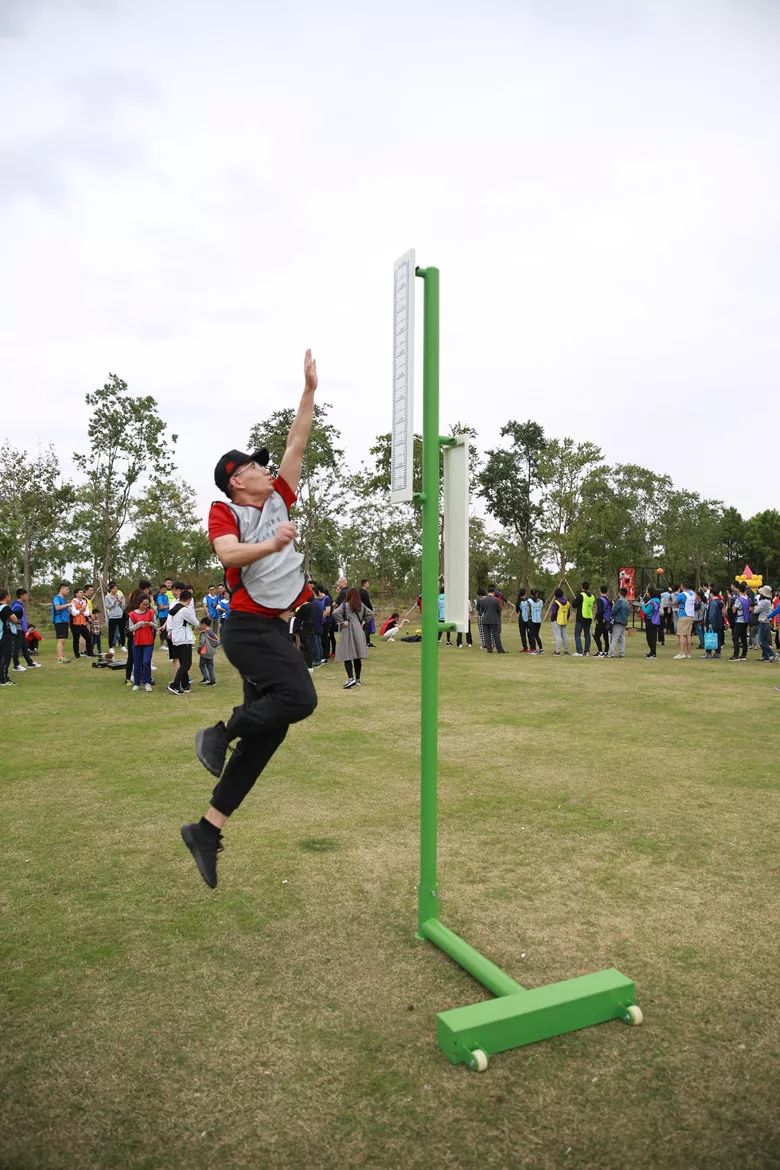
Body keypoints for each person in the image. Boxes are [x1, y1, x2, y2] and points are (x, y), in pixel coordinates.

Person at [183, 349, 319, 888]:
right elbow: (229, 555)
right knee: (300, 699)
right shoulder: (227, 511)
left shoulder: (280, 496)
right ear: (236, 481)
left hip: (272, 629)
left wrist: (308, 392)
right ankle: (219, 732)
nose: (266, 470)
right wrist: (272, 544)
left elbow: (296, 443)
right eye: (254, 467)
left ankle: (206, 829)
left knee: (270, 734)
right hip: (247, 630)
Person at [334, 587, 372, 687]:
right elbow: (370, 613)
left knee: (347, 654)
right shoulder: (361, 605)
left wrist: (342, 622)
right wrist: (363, 622)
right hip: (359, 630)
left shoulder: (345, 605)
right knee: (357, 656)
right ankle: (358, 680)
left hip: (348, 630)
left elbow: (335, 613)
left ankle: (350, 678)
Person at [168, 589, 198, 693]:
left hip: (176, 639)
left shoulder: (175, 608)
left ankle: (185, 685)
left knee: (183, 663)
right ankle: (175, 685)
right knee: (187, 664)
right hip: (184, 639)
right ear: (188, 599)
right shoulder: (184, 610)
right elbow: (195, 622)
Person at [127, 595, 157, 692]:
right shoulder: (132, 614)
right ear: (139, 603)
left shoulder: (151, 613)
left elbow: (156, 626)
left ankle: (147, 682)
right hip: (137, 642)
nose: (145, 606)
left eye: (147, 605)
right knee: (137, 663)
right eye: (143, 604)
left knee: (146, 662)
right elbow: (131, 628)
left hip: (149, 641)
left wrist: (150, 623)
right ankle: (137, 683)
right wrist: (139, 624)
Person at [11, 589, 41, 671]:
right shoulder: (17, 606)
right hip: (18, 630)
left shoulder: (19, 605)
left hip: (21, 630)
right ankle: (16, 666)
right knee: (16, 648)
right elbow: (12, 618)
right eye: (26, 595)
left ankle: (30, 663)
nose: (27, 597)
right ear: (22, 595)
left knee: (24, 647)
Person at [478, 585, 506, 653]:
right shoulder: (496, 600)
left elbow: (482, 609)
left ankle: (489, 649)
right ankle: (500, 649)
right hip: (494, 619)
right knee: (496, 635)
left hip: (485, 619)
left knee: (487, 635)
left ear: (487, 592)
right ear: (493, 592)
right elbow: (499, 609)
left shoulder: (483, 600)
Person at [673, 581, 697, 660]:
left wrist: (676, 604)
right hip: (691, 616)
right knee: (688, 635)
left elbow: (675, 602)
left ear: (683, 586)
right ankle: (689, 653)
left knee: (681, 634)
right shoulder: (693, 594)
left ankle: (681, 653)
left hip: (683, 615)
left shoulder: (682, 594)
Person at [573, 580, 595, 656]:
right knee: (587, 635)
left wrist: (576, 600)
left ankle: (579, 651)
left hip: (581, 617)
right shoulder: (592, 596)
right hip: (589, 617)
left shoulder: (581, 595)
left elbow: (574, 605)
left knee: (577, 634)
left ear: (582, 587)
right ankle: (587, 651)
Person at [755, 585, 777, 663]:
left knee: (761, 641)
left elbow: (756, 611)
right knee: (763, 640)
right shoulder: (767, 601)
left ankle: (771, 655)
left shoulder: (765, 602)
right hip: (765, 622)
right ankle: (766, 656)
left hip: (764, 622)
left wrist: (756, 607)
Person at [729, 582, 750, 661]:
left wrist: (733, 607)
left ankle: (736, 655)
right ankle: (744, 654)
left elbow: (734, 611)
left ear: (738, 590)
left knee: (735, 638)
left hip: (739, 620)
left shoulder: (739, 599)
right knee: (744, 638)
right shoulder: (748, 598)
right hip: (746, 620)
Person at [51, 581, 71, 663]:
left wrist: (68, 610)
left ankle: (62, 656)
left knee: (63, 640)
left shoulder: (63, 599)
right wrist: (68, 605)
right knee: (61, 639)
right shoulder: (57, 598)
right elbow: (57, 608)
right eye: (67, 589)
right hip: (59, 621)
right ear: (61, 589)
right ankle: (59, 658)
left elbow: (63, 609)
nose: (68, 591)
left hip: (64, 621)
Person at [638, 589, 661, 659]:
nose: (647, 593)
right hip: (655, 620)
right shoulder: (657, 600)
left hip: (650, 620)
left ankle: (653, 654)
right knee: (652, 637)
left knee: (650, 637)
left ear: (650, 593)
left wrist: (642, 604)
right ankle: (652, 652)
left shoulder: (652, 602)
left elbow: (646, 611)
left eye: (647, 592)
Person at [69, 588, 92, 659]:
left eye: (82, 592)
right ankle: (77, 655)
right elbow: (74, 613)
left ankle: (89, 653)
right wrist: (82, 609)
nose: (82, 594)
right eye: (80, 592)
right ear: (76, 594)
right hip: (74, 624)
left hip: (83, 623)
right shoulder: (73, 602)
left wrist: (80, 612)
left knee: (88, 637)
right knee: (76, 639)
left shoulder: (84, 602)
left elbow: (88, 613)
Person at [197, 617, 220, 685]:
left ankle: (206, 678)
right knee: (210, 666)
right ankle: (212, 681)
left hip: (204, 652)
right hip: (211, 652)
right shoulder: (212, 632)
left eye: (201, 625)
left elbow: (202, 642)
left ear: (204, 624)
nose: (200, 626)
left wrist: (199, 649)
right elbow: (217, 642)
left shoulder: (204, 633)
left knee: (202, 665)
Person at [704, 589, 725, 659]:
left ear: (711, 594)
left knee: (710, 637)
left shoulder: (713, 603)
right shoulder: (720, 602)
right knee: (717, 638)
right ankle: (717, 653)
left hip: (713, 623)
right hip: (719, 623)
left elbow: (711, 614)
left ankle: (708, 653)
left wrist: (710, 623)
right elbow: (723, 613)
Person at [0, 590, 16, 686]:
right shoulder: (5, 607)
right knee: (5, 657)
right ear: (6, 596)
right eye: (9, 595)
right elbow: (14, 619)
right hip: (4, 635)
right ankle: (4, 680)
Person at [609, 587, 629, 658]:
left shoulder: (619, 601)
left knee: (614, 637)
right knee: (621, 638)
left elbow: (614, 610)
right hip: (624, 621)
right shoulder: (626, 602)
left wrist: (611, 614)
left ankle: (611, 653)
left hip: (618, 621)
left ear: (620, 593)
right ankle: (621, 653)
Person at [549, 588, 571, 655]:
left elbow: (553, 613)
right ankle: (566, 650)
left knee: (557, 636)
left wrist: (552, 619)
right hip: (564, 620)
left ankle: (557, 651)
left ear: (555, 595)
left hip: (556, 620)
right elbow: (568, 612)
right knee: (565, 635)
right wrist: (567, 619)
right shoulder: (567, 602)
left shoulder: (556, 602)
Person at [105, 582, 125, 650]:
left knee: (122, 631)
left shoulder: (119, 596)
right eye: (114, 589)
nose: (115, 590)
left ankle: (123, 645)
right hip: (112, 616)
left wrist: (120, 601)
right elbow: (108, 607)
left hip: (120, 616)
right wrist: (114, 602)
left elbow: (123, 606)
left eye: (116, 589)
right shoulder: (107, 597)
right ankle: (110, 647)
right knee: (111, 632)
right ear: (111, 589)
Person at [593, 586, 612, 658]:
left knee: (596, 636)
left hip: (601, 620)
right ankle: (606, 651)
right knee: (605, 636)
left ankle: (600, 651)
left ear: (600, 591)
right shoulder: (608, 600)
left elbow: (600, 610)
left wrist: (596, 618)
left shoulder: (600, 599)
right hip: (607, 620)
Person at [528, 589, 543, 654]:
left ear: (531, 594)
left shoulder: (529, 601)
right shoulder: (541, 601)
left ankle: (533, 650)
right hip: (538, 620)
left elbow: (528, 611)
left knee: (532, 635)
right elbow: (540, 609)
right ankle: (541, 649)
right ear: (537, 593)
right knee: (536, 635)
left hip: (532, 620)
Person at [516, 587, 530, 652]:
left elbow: (517, 611)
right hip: (528, 619)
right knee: (529, 633)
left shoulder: (518, 601)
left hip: (521, 619)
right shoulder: (528, 600)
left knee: (522, 634)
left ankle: (525, 648)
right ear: (525, 593)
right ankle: (532, 647)